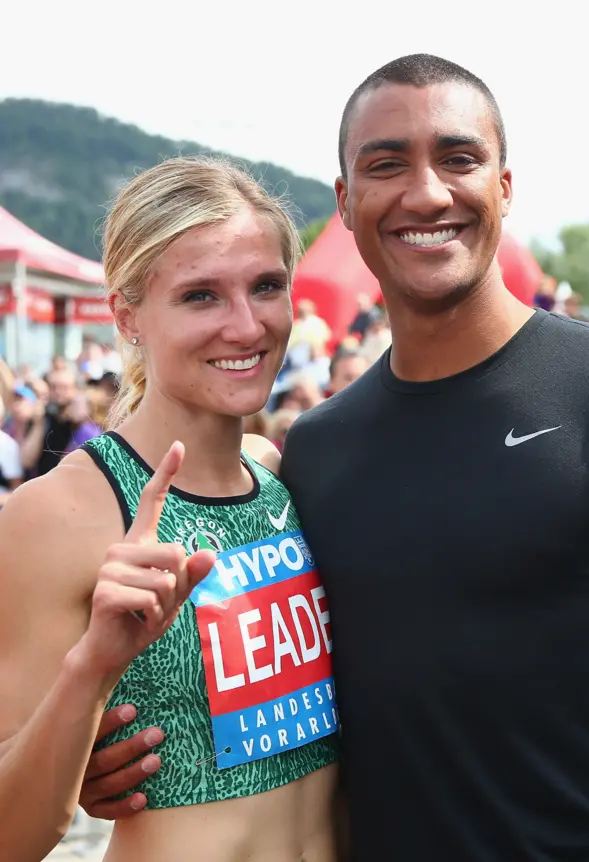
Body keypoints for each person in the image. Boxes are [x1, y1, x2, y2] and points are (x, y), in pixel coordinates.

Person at [88, 54, 589, 862]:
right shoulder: (315, 451)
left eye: (459, 158)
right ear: (345, 204)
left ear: (505, 187)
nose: (426, 192)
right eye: (387, 165)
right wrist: (105, 750)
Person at [0, 156, 339, 862]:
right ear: (127, 315)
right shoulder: (60, 513)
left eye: (266, 286)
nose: (245, 326)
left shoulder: (283, 478)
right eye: (200, 296)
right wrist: (91, 669)